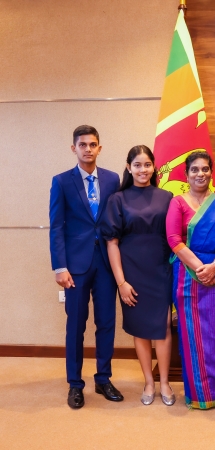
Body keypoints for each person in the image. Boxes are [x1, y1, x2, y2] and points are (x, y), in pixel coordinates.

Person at [49, 125, 123, 409]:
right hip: (75, 266)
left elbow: (117, 219)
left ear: (99, 148)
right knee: (76, 325)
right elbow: (57, 226)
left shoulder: (112, 179)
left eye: (92, 144)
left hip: (105, 262)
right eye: (82, 145)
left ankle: (103, 379)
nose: (88, 149)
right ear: (74, 148)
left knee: (106, 323)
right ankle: (75, 384)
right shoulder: (61, 181)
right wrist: (60, 266)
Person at [101, 145, 174, 406]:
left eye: (147, 164)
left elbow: (175, 236)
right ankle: (149, 382)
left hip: (161, 269)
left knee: (164, 326)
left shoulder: (167, 197)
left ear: (154, 167)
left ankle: (164, 382)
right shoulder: (117, 199)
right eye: (137, 165)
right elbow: (111, 243)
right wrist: (121, 282)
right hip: (131, 271)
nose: (143, 170)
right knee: (140, 329)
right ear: (129, 167)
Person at [166, 151, 215, 409]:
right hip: (188, 276)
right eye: (194, 169)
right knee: (193, 336)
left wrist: (214, 266)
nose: (200, 174)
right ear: (186, 175)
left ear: (211, 172)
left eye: (205, 169)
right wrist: (200, 269)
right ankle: (199, 394)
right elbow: (174, 240)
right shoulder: (177, 203)